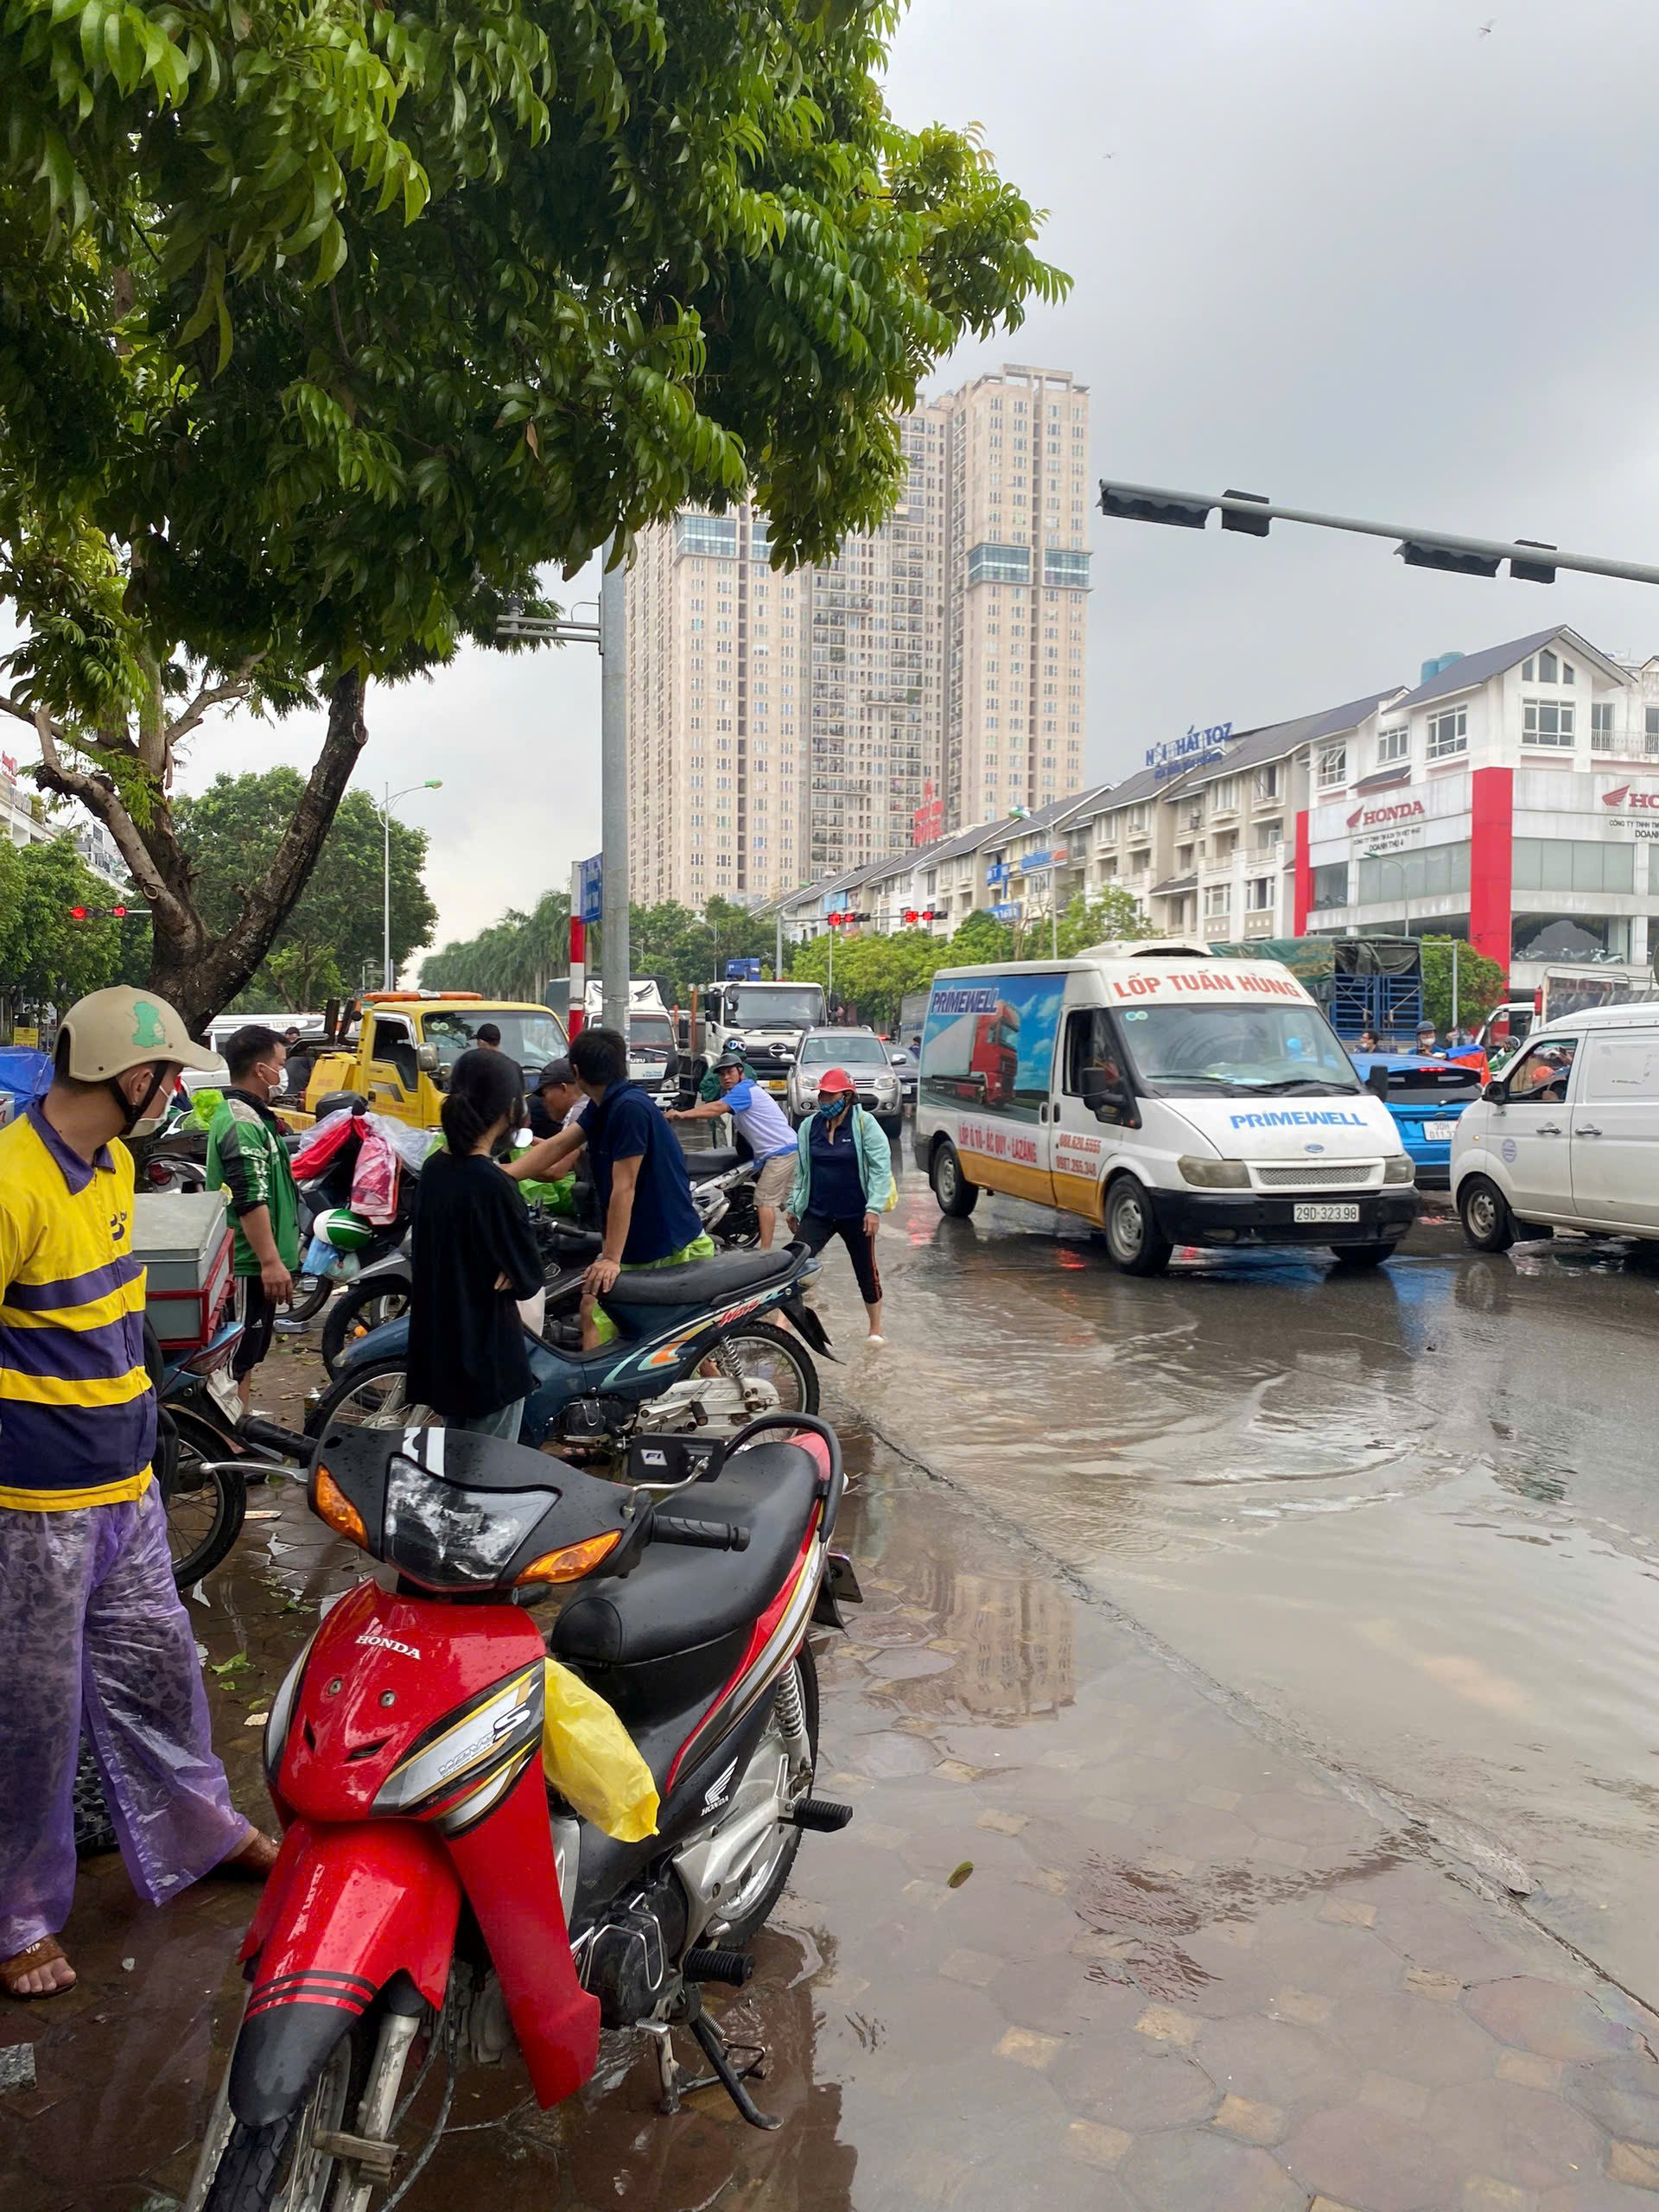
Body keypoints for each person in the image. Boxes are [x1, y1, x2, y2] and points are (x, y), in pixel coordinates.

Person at [0, 988, 277, 2001]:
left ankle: (201, 1827)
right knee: (27, 1719)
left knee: (162, 1673)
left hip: (126, 1487)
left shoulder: (112, 1165)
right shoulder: (10, 1182)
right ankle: (15, 1915)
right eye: (167, 1076)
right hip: (31, 1509)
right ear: (130, 1076)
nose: (173, 1095)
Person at [511, 1028, 712, 1346]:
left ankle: (594, 1395)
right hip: (645, 1242)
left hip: (665, 1246)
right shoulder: (603, 1105)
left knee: (606, 1315)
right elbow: (560, 1145)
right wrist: (505, 1173)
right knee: (652, 1331)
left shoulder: (628, 1108)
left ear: (576, 1073)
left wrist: (611, 1259)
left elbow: (625, 1187)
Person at [407, 1048, 544, 1437]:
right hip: (489, 1358)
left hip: (444, 1353)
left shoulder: (435, 1170)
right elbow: (529, 1276)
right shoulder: (494, 1184)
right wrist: (511, 1268)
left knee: (456, 1466)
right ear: (507, 1110)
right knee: (488, 1478)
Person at [205, 1027, 302, 1411]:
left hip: (252, 1263)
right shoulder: (242, 1123)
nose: (284, 1071)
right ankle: (228, 1447)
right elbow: (249, 1198)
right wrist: (271, 1262)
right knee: (235, 1360)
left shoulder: (252, 1116)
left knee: (246, 1359)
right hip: (246, 1264)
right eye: (280, 1064)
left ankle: (237, 1432)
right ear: (261, 1070)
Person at [785, 1066, 893, 1345]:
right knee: (792, 1265)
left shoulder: (864, 1124)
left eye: (830, 1095)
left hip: (856, 1214)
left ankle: (876, 1328)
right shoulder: (810, 1127)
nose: (824, 1100)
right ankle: (782, 1323)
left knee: (866, 1271)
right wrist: (793, 1206)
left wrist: (874, 1209)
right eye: (822, 1094)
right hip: (818, 1212)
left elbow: (881, 1169)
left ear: (847, 1097)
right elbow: (802, 1171)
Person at [667, 1048, 798, 1248]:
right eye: (722, 1074)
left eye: (730, 1073)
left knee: (764, 1202)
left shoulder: (744, 1090)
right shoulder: (738, 1091)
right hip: (783, 1150)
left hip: (780, 1153)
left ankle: (766, 1254)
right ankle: (806, 1245)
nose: (726, 1078)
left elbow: (716, 1108)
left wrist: (681, 1115)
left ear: (740, 1072)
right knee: (792, 1206)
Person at [528, 1058, 588, 1143]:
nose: (543, 1102)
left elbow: (567, 1154)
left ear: (563, 1088)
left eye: (545, 1094)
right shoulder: (589, 1105)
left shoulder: (578, 1113)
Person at [281, 1026, 314, 1105]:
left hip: (300, 1091)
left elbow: (314, 1069)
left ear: (298, 1036)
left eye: (293, 1037)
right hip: (285, 1092)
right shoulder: (283, 1050)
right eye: (288, 1038)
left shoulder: (307, 1051)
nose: (291, 1041)